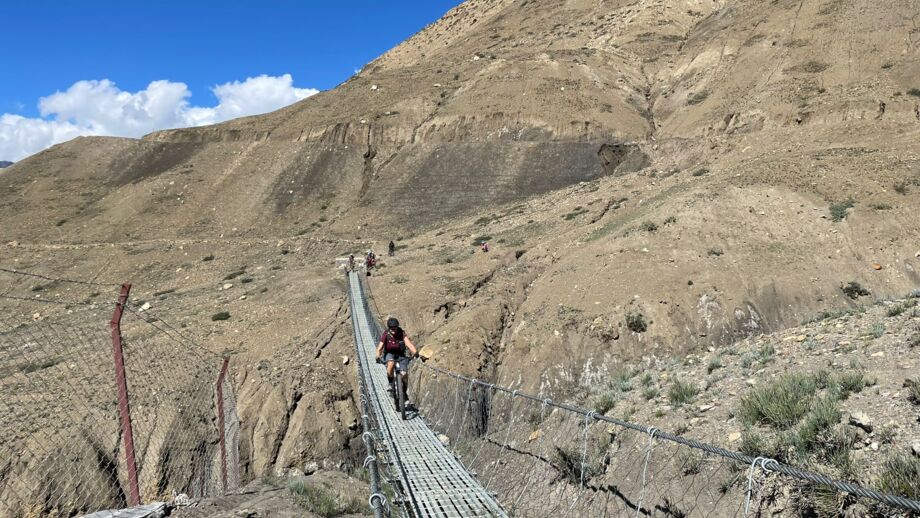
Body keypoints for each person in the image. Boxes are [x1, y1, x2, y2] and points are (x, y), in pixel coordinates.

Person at [376, 317, 418, 402]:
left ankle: (404, 391)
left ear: (397, 327)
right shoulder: (386, 334)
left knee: (404, 374)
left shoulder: (401, 333)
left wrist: (415, 353)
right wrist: (377, 356)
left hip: (400, 354)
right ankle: (391, 383)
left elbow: (408, 344)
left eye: (395, 328)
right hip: (389, 353)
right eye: (391, 328)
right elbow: (380, 347)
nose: (393, 330)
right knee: (390, 364)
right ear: (389, 328)